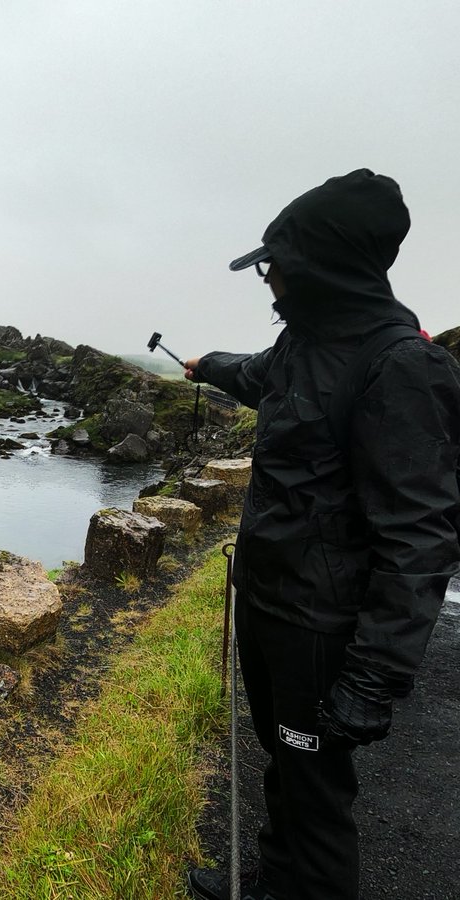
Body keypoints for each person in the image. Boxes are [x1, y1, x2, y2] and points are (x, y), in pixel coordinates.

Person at [182, 169, 460, 900]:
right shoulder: (304, 345)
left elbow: (420, 540)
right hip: (271, 599)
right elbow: (253, 374)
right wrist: (204, 366)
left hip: (321, 626)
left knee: (317, 789)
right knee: (284, 757)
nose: (269, 282)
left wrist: (372, 681)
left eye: (277, 265)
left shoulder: (400, 366)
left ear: (319, 267)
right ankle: (275, 879)